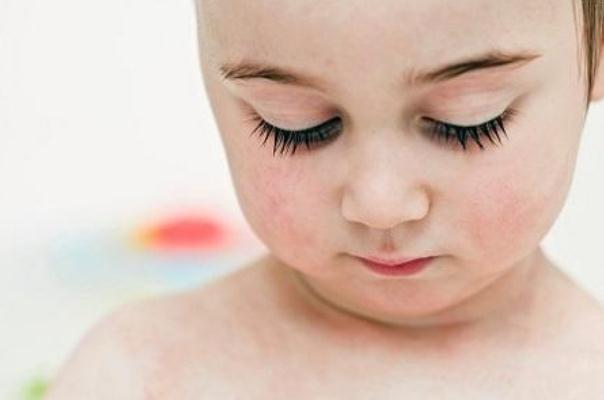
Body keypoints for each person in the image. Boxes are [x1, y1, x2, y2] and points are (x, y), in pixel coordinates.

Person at [45, 0, 604, 398]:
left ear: (596, 54)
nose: (380, 204)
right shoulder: (139, 372)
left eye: (467, 121)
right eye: (294, 126)